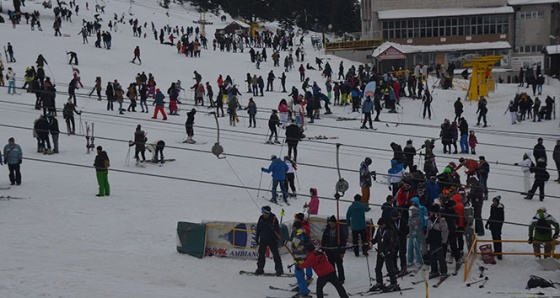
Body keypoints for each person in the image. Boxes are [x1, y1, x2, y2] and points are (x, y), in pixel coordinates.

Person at [370, 217, 399, 292]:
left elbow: (392, 243)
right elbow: (377, 238)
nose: (380, 226)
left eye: (381, 225)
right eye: (379, 225)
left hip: (387, 253)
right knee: (378, 268)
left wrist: (387, 251)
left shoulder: (389, 231)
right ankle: (379, 282)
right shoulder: (379, 230)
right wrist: (372, 241)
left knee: (389, 268)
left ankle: (394, 283)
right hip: (380, 251)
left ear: (385, 224)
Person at [255, 206, 284, 275]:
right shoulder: (261, 218)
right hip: (263, 239)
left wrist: (276, 239)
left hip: (272, 240)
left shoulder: (274, 219)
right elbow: (258, 228)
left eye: (263, 212)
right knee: (261, 255)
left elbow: (277, 229)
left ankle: (279, 269)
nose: (262, 213)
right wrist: (257, 237)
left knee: (276, 255)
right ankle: (260, 268)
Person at [320, 216, 347, 284]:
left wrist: (342, 252)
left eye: (332, 224)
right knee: (331, 265)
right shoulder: (327, 230)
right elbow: (324, 240)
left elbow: (343, 241)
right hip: (329, 250)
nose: (331, 225)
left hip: (337, 250)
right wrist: (323, 248)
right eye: (330, 224)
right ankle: (333, 277)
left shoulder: (339, 230)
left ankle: (341, 278)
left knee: (339, 265)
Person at [290, 220, 312, 298]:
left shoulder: (298, 235)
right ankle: (303, 288)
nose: (292, 229)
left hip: (299, 257)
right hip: (305, 256)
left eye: (293, 227)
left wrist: (288, 243)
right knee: (300, 274)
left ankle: (304, 291)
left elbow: (293, 246)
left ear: (296, 227)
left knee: (299, 275)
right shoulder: (304, 233)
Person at [426, 204, 448, 279]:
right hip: (432, 241)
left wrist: (444, 242)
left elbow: (445, 231)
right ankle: (434, 271)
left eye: (431, 212)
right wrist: (427, 238)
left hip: (439, 241)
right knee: (432, 256)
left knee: (440, 257)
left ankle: (444, 272)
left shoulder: (441, 220)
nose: (430, 213)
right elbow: (428, 230)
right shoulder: (429, 220)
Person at [486, 195, 504, 260]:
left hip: (497, 227)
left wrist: (499, 227)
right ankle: (496, 251)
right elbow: (491, 216)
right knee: (494, 239)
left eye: (495, 201)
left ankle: (499, 253)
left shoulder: (500, 209)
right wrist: (488, 223)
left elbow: (501, 219)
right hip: (492, 226)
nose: (494, 202)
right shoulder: (492, 207)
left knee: (498, 239)